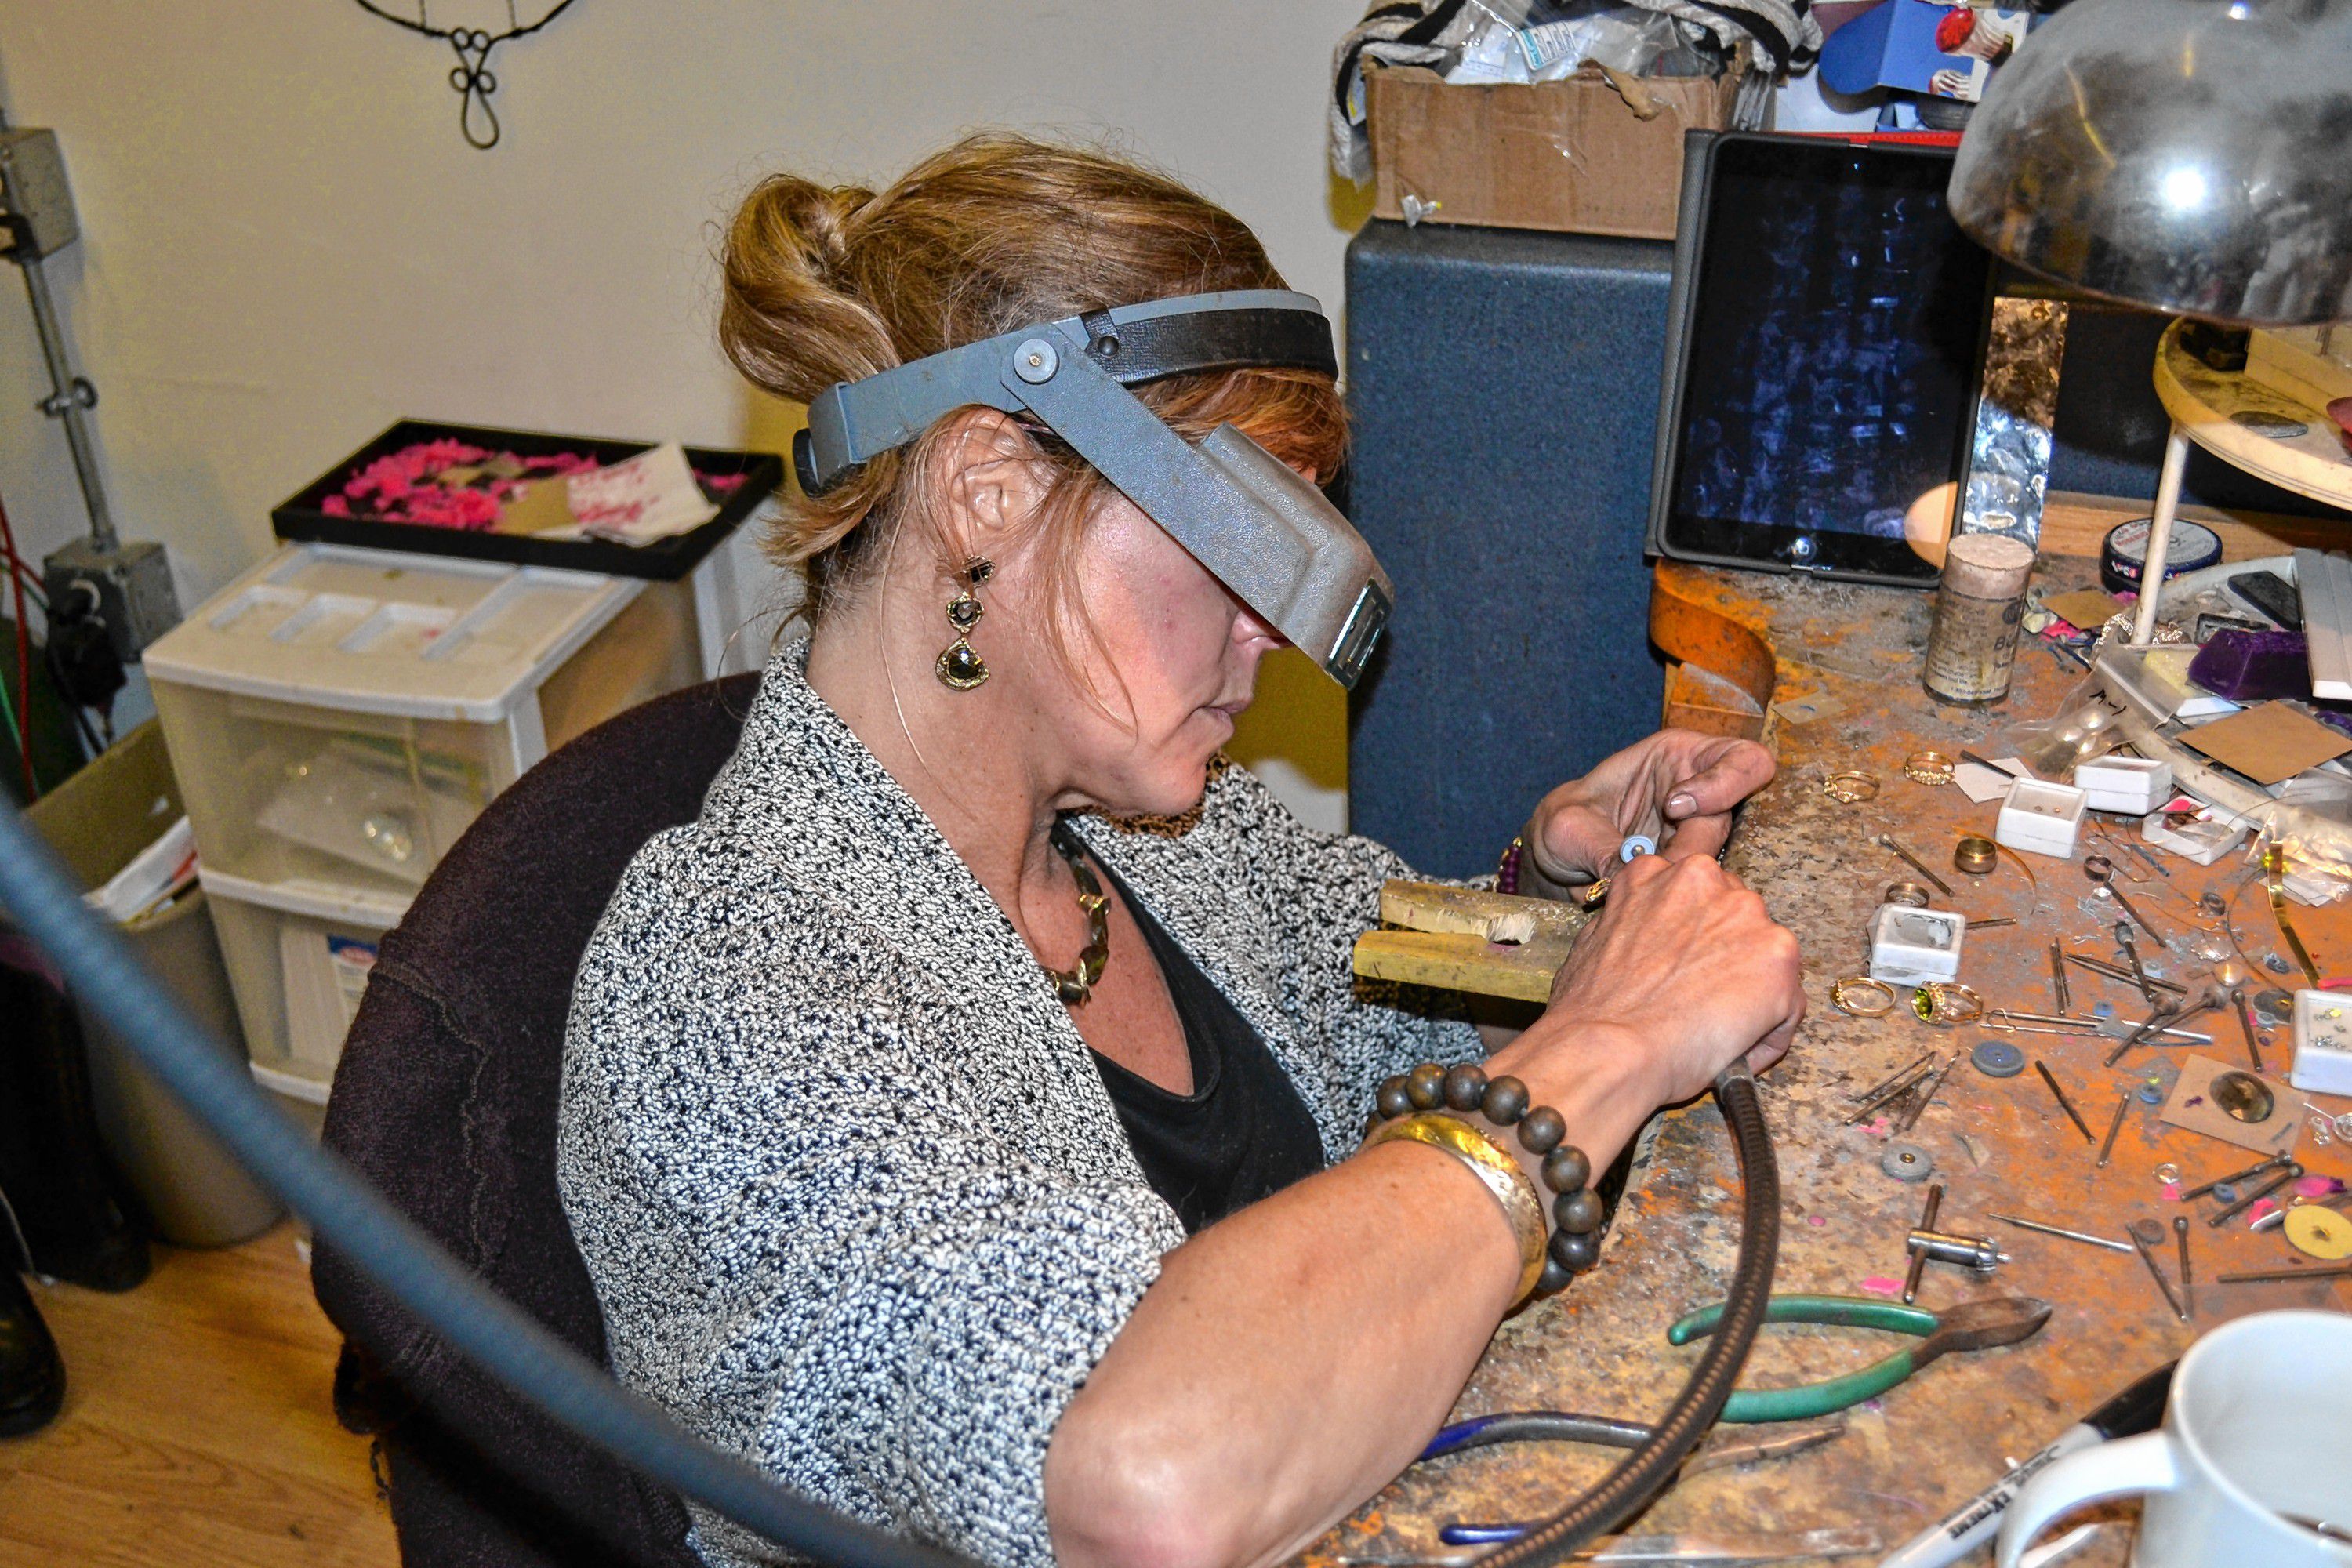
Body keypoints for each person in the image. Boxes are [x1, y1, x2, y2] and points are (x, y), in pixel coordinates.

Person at [557, 132, 1805, 1568]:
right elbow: (1145, 1490)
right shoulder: (726, 992)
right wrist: (1606, 1046)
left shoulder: (1137, 823)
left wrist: (1560, 892)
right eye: (1239, 546)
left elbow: (1366, 979)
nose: (1271, 633)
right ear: (986, 493)